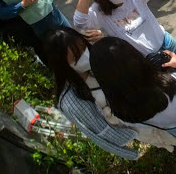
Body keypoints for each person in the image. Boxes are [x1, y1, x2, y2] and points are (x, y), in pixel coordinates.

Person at [42, 28, 142, 160]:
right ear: (63, 65)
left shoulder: (100, 57)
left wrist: (107, 41)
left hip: (147, 108)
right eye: (76, 57)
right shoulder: (70, 101)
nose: (85, 54)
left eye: (83, 47)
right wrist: (131, 154)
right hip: (138, 127)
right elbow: (96, 134)